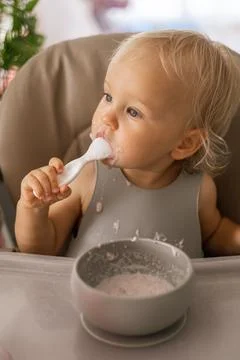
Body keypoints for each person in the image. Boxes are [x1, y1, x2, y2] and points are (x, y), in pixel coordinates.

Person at [15, 30, 240, 258]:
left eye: (133, 112)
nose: (106, 118)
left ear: (185, 143)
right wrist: (34, 209)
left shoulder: (200, 189)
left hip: (177, 293)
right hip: (91, 293)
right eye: (108, 97)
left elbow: (214, 235)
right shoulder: (87, 179)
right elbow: (41, 249)